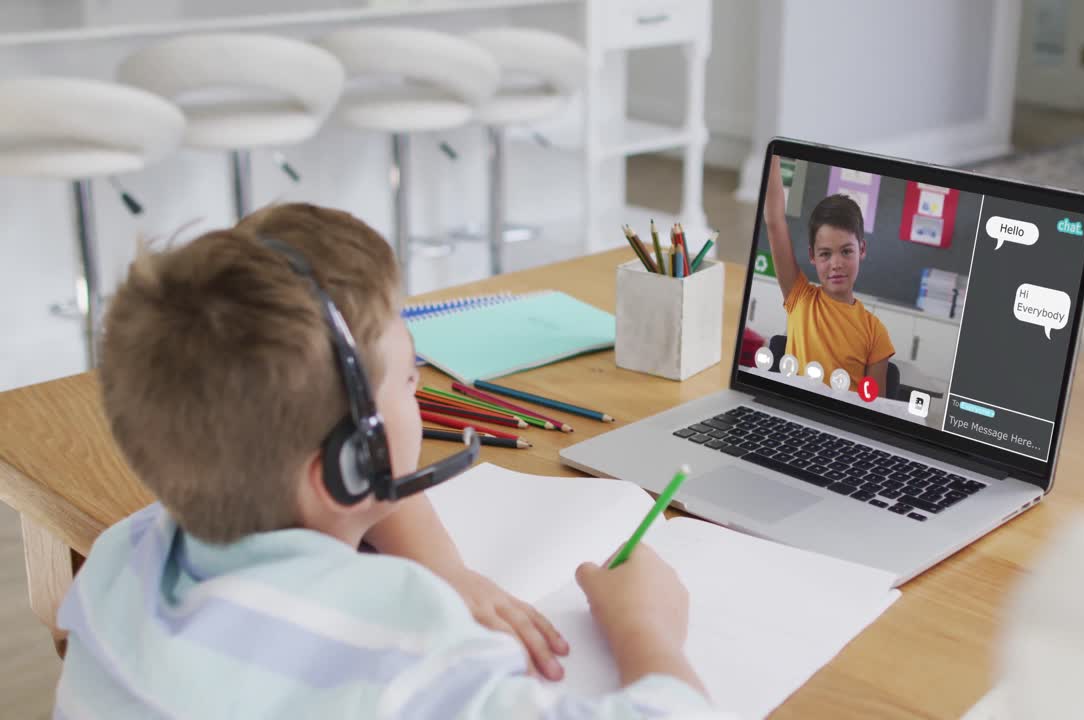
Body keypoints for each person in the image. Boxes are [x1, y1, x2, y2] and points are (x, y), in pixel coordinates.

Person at [53, 203, 711, 718]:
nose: (421, 384)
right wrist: (646, 628)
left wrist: (444, 564)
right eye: (406, 380)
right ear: (346, 465)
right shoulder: (403, 641)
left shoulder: (123, 560)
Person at [763, 156, 895, 388]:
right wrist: (773, 153)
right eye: (825, 254)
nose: (836, 263)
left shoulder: (876, 332)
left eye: (846, 251)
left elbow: (876, 406)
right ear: (812, 256)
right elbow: (774, 221)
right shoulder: (799, 296)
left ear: (861, 249)